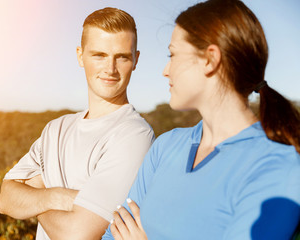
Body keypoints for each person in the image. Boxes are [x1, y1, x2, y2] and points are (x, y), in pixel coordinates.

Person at [102, 0, 300, 239]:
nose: (166, 69)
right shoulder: (165, 147)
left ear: (210, 59)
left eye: (172, 54)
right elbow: (114, 233)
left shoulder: (277, 167)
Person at [0, 7, 155, 240]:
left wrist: (37, 193)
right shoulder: (56, 128)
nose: (110, 69)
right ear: (80, 55)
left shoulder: (133, 135)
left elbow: (75, 235)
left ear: (136, 60)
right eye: (99, 55)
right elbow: (6, 199)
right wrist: (58, 196)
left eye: (122, 56)